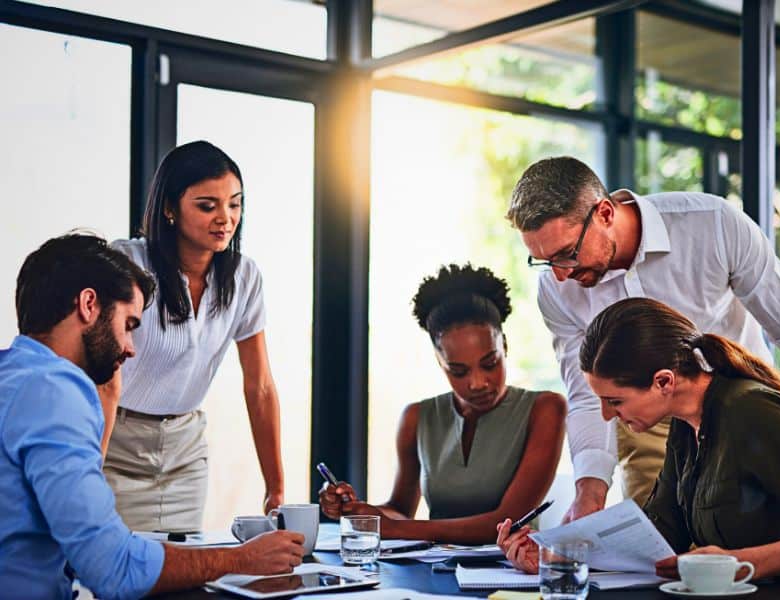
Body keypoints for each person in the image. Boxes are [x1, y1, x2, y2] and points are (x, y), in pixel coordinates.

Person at [506, 156, 780, 519]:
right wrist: (589, 494)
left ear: (605, 212)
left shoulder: (712, 225)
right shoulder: (556, 288)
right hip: (643, 417)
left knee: (758, 538)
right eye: (544, 261)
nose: (559, 274)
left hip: (739, 405)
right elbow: (587, 394)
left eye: (566, 254)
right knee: (653, 551)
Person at [0, 234, 305, 599]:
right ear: (88, 304)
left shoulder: (12, 377)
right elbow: (113, 569)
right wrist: (240, 559)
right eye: (129, 325)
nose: (130, 349)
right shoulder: (57, 392)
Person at [497, 297, 780, 586]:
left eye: (615, 401)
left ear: (664, 381)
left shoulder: (751, 411)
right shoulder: (684, 425)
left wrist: (741, 562)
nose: (607, 416)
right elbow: (661, 537)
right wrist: (558, 556)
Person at [99, 140, 285, 531]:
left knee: (182, 574)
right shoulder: (128, 262)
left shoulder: (244, 276)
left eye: (234, 204)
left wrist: (276, 486)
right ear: (169, 209)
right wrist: (88, 468)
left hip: (185, 450)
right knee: (118, 578)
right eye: (207, 206)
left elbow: (261, 385)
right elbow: (102, 376)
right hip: (115, 446)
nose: (225, 218)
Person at [319, 264, 566, 544]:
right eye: (458, 371)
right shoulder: (417, 417)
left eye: (489, 363)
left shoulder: (545, 409)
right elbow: (400, 511)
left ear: (505, 346)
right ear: (439, 362)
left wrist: (392, 529)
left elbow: (505, 521)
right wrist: (360, 512)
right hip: (432, 569)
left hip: (509, 573)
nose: (477, 383)